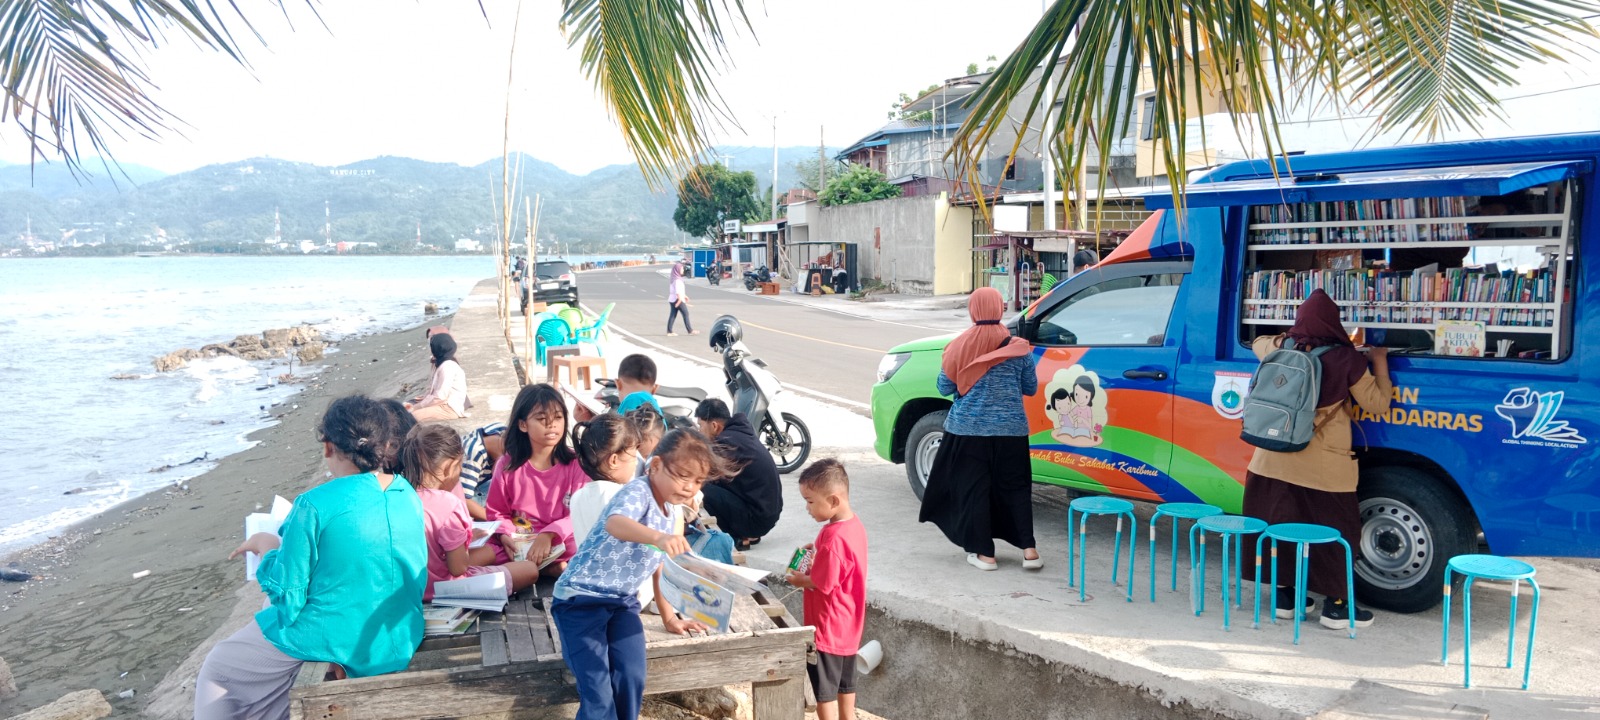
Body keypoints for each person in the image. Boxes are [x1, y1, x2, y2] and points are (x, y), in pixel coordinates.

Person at [196, 396, 425, 720]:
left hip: (342, 635)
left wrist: (267, 548)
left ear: (328, 446)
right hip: (400, 630)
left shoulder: (313, 504)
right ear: (384, 444)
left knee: (219, 665)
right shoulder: (405, 493)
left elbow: (288, 595)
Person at [551, 429, 734, 720]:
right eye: (682, 476)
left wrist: (670, 618)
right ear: (656, 465)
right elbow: (616, 523)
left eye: (698, 480)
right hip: (579, 602)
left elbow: (661, 566)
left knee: (631, 676)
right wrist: (658, 538)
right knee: (598, 692)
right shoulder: (638, 491)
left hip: (622, 603)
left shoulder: (672, 512)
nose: (689, 487)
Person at [1242, 289, 1391, 629]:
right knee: (1334, 533)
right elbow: (1377, 404)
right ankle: (1336, 606)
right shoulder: (1347, 359)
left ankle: (1286, 598)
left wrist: (1289, 337)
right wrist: (1379, 360)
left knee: (1279, 525)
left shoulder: (1278, 348)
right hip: (1323, 468)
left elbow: (1257, 342)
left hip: (1270, 460)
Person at [918, 286, 1042, 572]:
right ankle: (1030, 551)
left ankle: (986, 555)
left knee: (974, 489)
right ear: (1000, 308)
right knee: (1016, 488)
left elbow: (944, 386)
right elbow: (1031, 388)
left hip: (968, 431)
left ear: (973, 310)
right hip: (1012, 431)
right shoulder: (1019, 347)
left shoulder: (958, 346)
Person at [402, 424, 541, 600]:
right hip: (447, 588)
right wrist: (464, 543)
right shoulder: (449, 503)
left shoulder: (399, 497)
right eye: (460, 466)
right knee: (529, 570)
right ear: (449, 467)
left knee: (494, 552)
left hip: (411, 590)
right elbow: (458, 568)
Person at [787, 459, 867, 720]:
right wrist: (816, 556)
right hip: (849, 626)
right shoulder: (854, 526)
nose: (807, 508)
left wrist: (800, 580)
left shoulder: (832, 537)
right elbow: (840, 569)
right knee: (845, 684)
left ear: (833, 501)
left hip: (827, 627)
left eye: (810, 501)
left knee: (824, 692)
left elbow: (823, 582)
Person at [480, 384, 589, 575]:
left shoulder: (576, 464)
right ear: (523, 425)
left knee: (579, 546)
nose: (551, 425)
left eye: (558, 417)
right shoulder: (507, 465)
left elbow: (580, 513)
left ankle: (538, 568)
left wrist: (549, 534)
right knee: (483, 552)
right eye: (541, 419)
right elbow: (497, 512)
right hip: (519, 541)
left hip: (561, 540)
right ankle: (545, 568)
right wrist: (505, 535)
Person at [693, 398, 781, 549]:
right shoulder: (739, 434)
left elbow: (700, 472)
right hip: (764, 514)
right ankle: (745, 532)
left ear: (714, 426)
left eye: (700, 426)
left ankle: (736, 537)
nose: (699, 431)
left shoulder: (727, 443)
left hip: (756, 519)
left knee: (700, 487)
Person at [407, 333, 468, 422]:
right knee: (404, 406)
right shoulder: (440, 362)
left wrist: (418, 406)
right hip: (440, 403)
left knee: (409, 417)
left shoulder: (447, 366)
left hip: (448, 408)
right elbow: (432, 389)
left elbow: (440, 397)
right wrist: (423, 399)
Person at [457, 422, 506, 519]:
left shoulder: (499, 430)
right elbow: (462, 500)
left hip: (477, 482)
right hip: (460, 495)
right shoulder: (474, 456)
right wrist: (497, 520)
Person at [666, 261, 698, 337]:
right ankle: (690, 330)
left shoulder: (674, 278)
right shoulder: (677, 280)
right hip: (677, 299)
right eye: (682, 269)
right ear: (677, 270)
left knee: (673, 315)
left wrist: (685, 296)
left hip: (673, 299)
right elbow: (678, 292)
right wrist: (680, 300)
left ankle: (669, 331)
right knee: (685, 313)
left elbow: (677, 290)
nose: (683, 270)